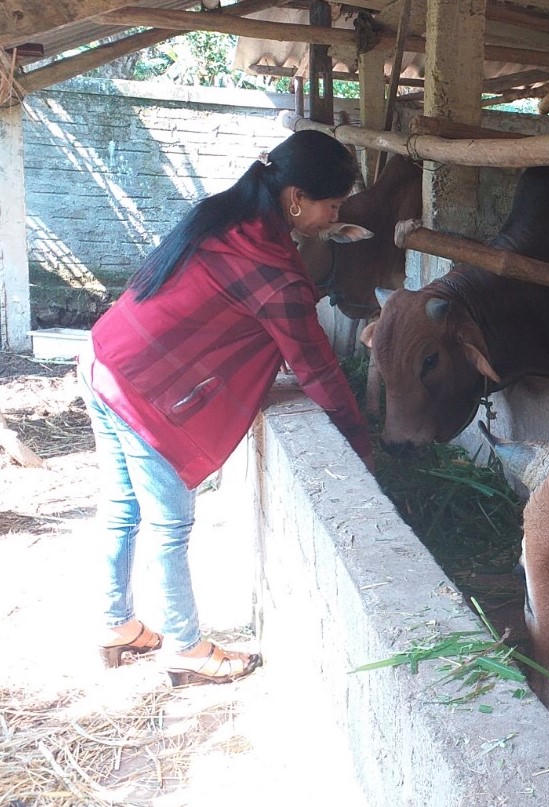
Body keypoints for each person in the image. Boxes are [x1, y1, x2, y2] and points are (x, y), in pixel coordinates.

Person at [79, 130, 374, 686]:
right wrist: (361, 444)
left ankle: (115, 623)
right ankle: (184, 647)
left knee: (121, 506)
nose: (334, 218)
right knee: (169, 524)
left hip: (104, 357)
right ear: (296, 198)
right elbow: (317, 369)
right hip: (143, 390)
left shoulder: (224, 219)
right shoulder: (276, 274)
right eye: (332, 206)